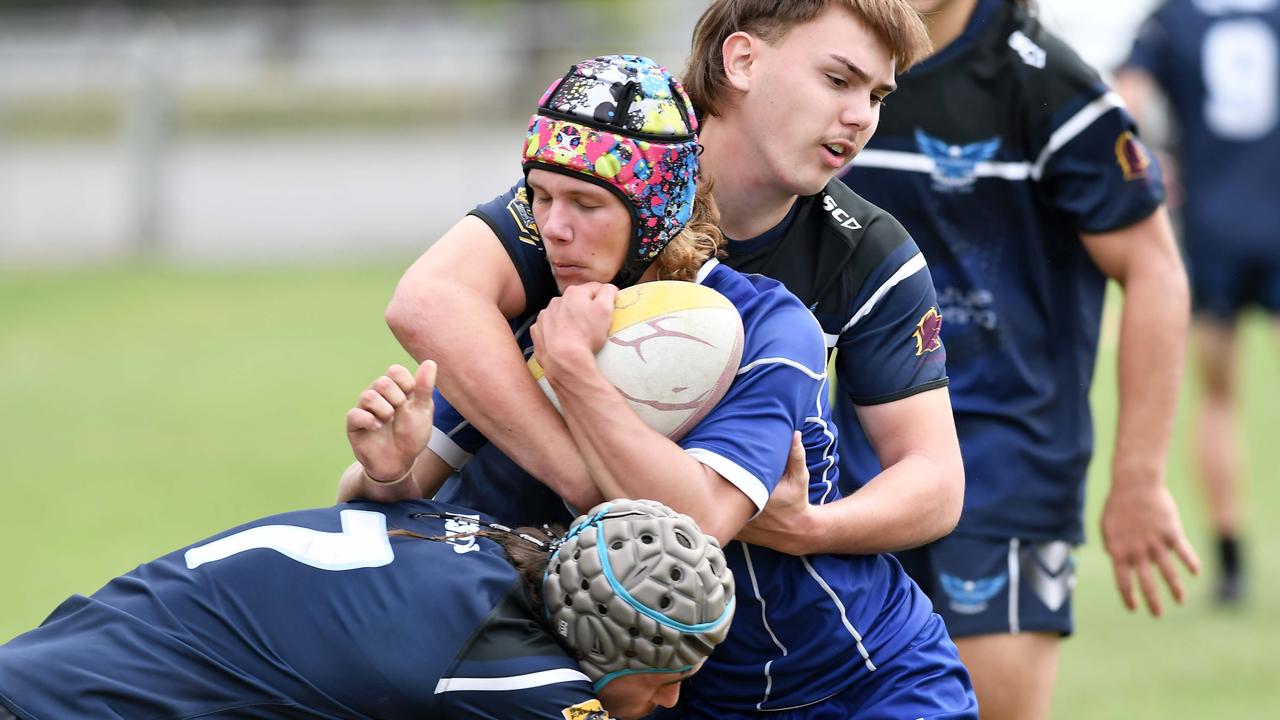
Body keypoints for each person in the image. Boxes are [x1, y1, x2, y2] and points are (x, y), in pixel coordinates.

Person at [347, 53, 978, 717]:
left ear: (655, 212)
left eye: (586, 203)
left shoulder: (764, 325)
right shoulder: (534, 324)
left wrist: (575, 374)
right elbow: (387, 507)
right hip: (676, 697)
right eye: (540, 196)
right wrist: (386, 475)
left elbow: (697, 523)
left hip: (855, 681)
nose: (553, 228)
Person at [386, 0, 966, 559]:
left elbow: (936, 483)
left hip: (699, 609)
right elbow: (429, 301)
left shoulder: (865, 250)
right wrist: (595, 485)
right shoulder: (603, 178)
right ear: (741, 60)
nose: (862, 115)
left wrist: (808, 527)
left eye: (877, 95)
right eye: (838, 80)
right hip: (546, 575)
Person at [0, 361, 736, 720]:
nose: (672, 702)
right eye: (669, 676)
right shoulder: (517, 676)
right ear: (598, 649)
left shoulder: (473, 539)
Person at [836, 1, 1201, 718]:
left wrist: (1138, 479)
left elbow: (1157, 270)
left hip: (1003, 470)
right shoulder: (833, 73)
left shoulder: (1050, 86)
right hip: (851, 467)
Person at [1114, 0, 1280, 606]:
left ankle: (1231, 565)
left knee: (1217, 398)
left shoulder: (1173, 19)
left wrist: (1144, 163)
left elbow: (1123, 101)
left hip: (1213, 230)